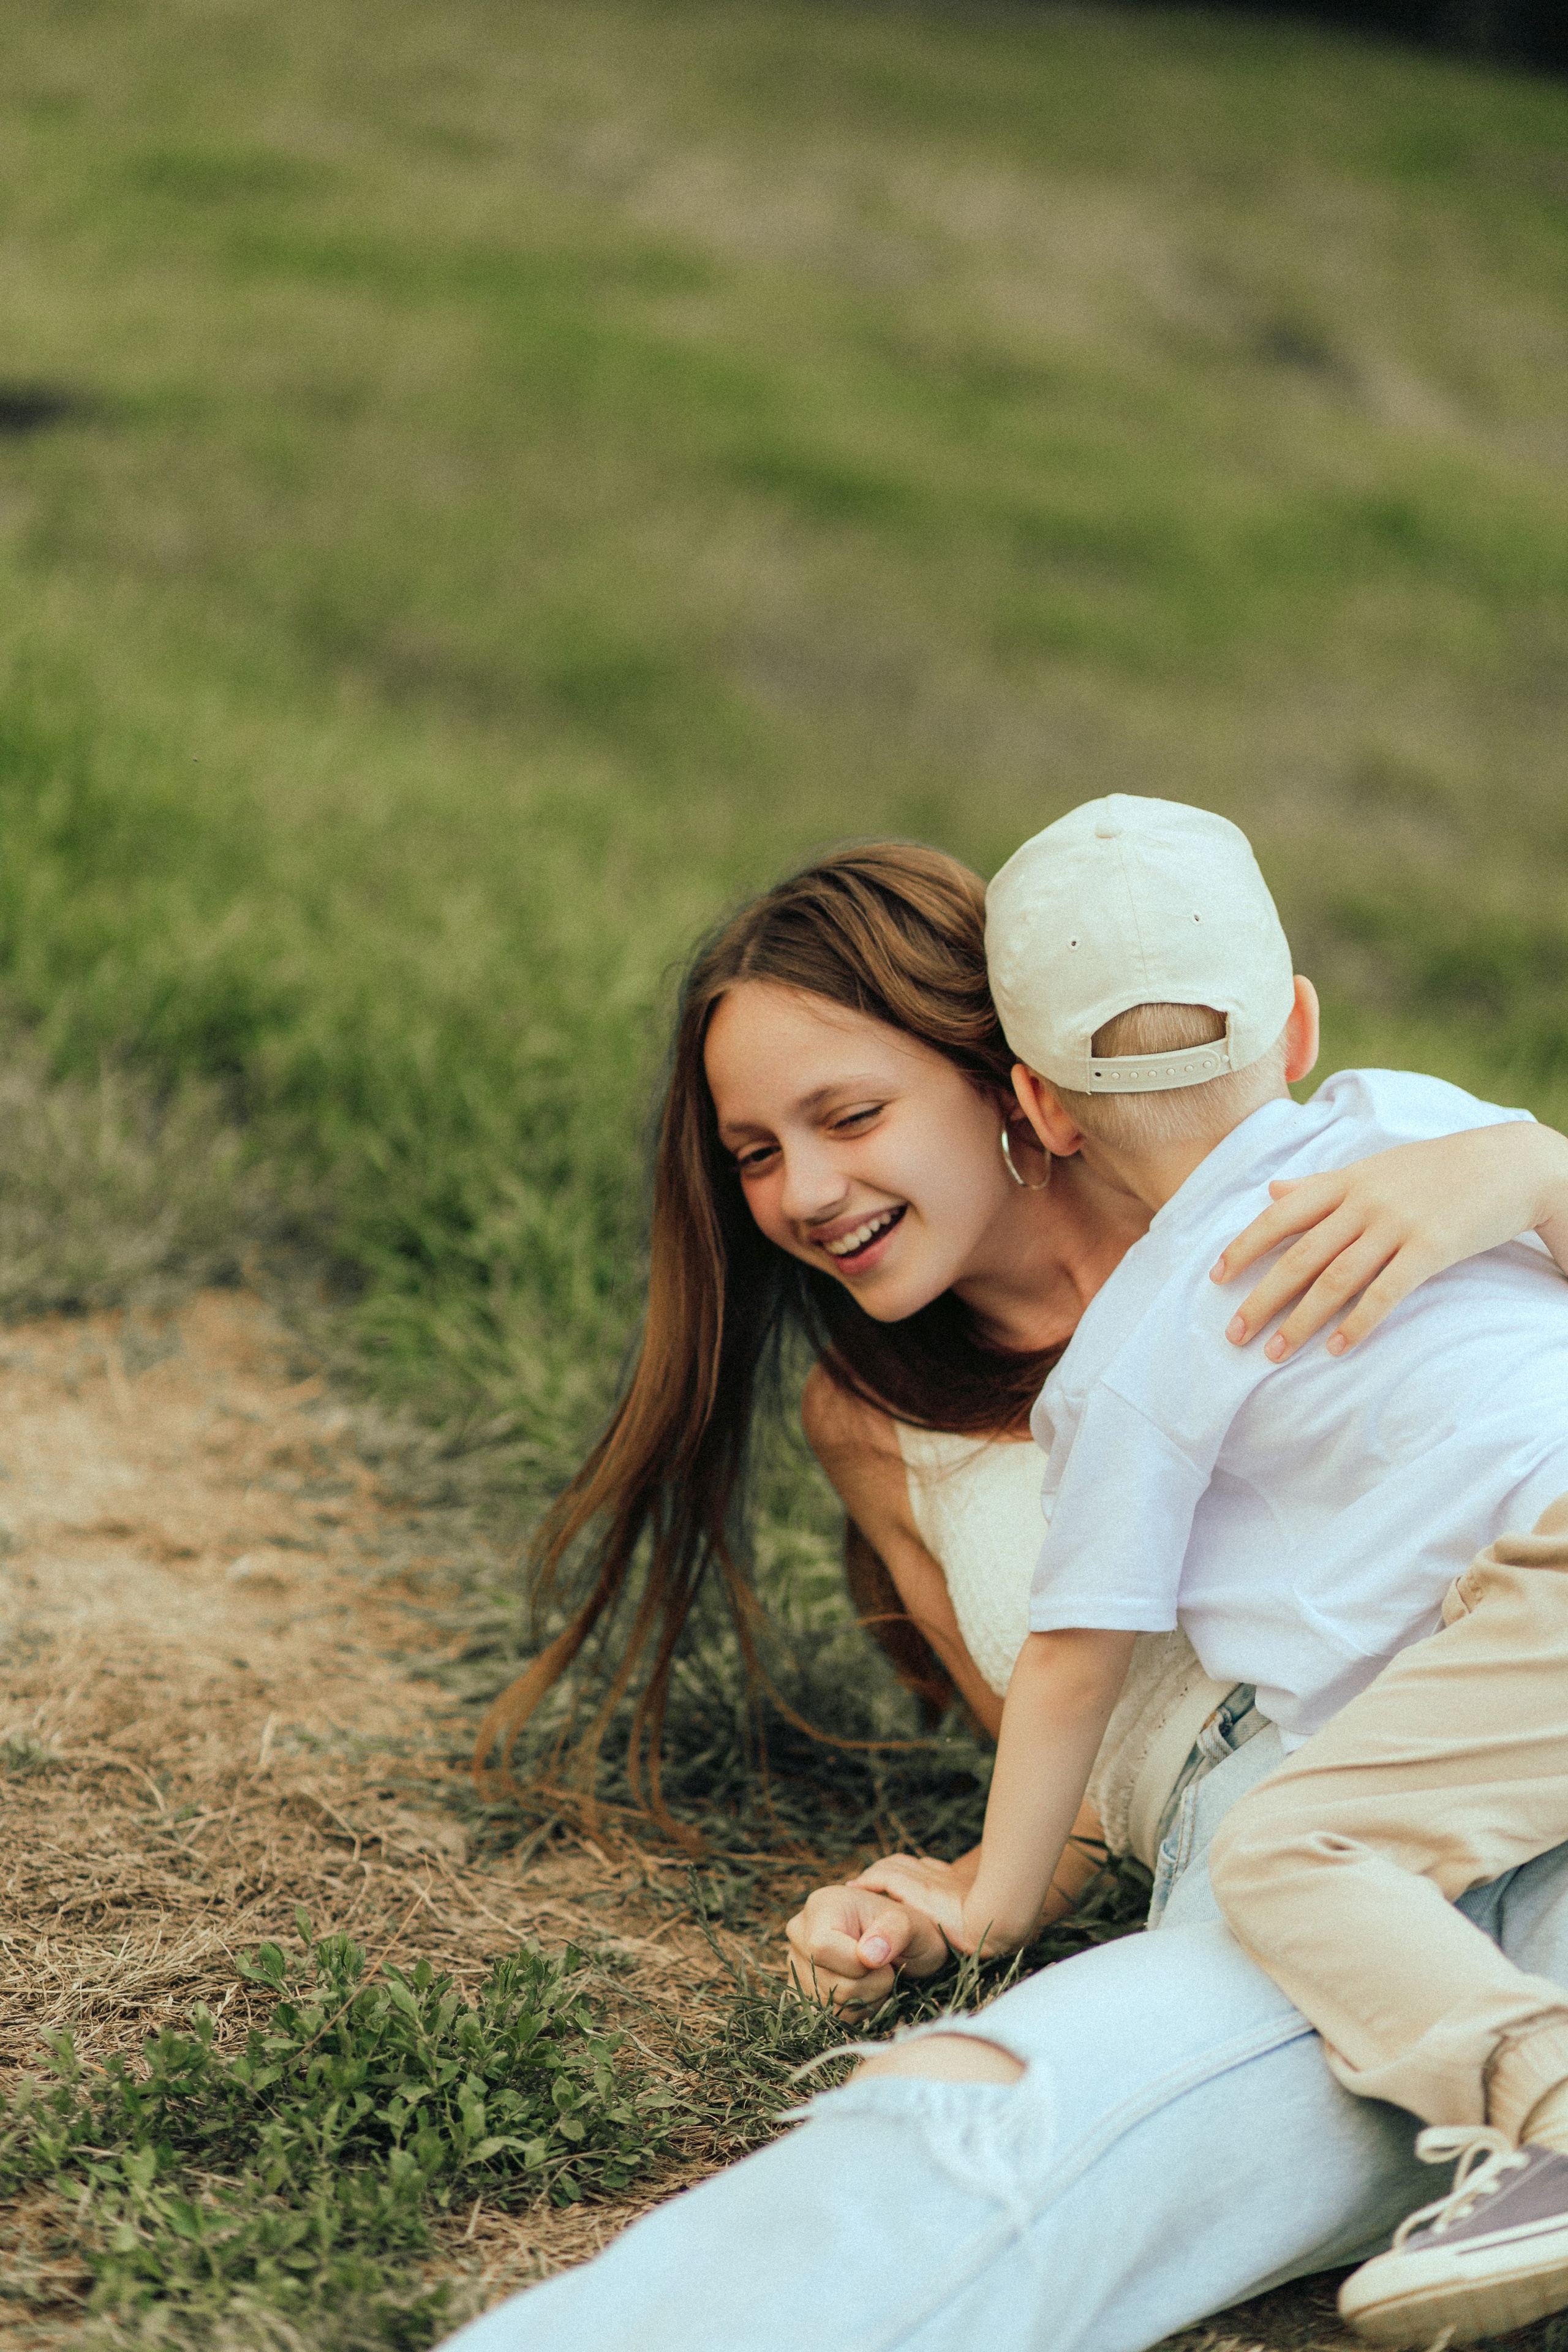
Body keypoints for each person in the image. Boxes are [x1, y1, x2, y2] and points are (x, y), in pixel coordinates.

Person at [450, 841, 1568, 2352]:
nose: (805, 1192)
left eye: (848, 1116)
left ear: (1010, 1083)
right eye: (755, 1152)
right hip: (1297, 1852)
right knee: (993, 2125)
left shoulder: (1361, 1166)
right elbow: (1081, 1764)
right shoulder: (873, 1424)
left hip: (1512, 1674)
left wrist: (1530, 1167)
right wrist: (958, 1904)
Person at [851, 796, 1568, 2346]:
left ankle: (1545, 2112)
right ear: (1297, 1021)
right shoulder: (1420, 1125)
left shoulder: (1136, 1356)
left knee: (1292, 1857)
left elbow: (1069, 1662)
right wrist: (1520, 1167)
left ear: (1035, 1109)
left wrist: (986, 1907)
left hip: (1551, 1586)